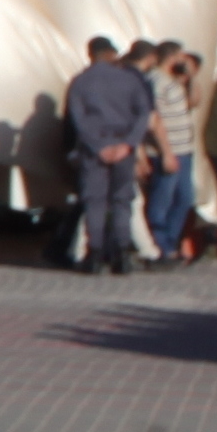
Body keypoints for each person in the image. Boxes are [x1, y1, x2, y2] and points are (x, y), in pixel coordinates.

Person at [68, 35, 157, 272]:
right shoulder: (130, 80)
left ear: (90, 54)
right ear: (111, 54)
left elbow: (79, 120)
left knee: (94, 201)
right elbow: (143, 114)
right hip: (123, 146)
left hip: (94, 149)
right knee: (122, 200)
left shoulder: (80, 82)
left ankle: (94, 254)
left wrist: (98, 146)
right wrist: (129, 144)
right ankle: (121, 254)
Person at [154, 46, 208, 266]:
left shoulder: (176, 85)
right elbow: (154, 119)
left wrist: (191, 78)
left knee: (185, 198)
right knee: (162, 199)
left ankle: (171, 240)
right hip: (168, 149)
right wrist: (165, 151)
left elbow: (194, 101)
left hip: (185, 149)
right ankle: (162, 246)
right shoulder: (159, 82)